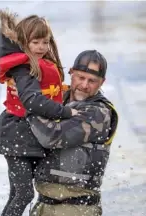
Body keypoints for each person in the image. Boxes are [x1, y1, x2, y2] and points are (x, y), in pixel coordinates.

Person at [0, 10, 78, 216]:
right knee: (24, 194)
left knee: (18, 192)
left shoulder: (37, 65)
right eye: (35, 42)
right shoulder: (22, 68)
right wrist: (66, 112)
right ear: (24, 42)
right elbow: (32, 101)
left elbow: (46, 92)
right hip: (15, 135)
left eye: (45, 42)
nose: (41, 47)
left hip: (29, 135)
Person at [25, 50, 119, 216]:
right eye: (80, 77)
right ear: (71, 73)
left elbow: (51, 136)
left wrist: (29, 106)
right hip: (42, 204)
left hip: (77, 208)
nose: (84, 85)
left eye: (92, 81)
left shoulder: (99, 112)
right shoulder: (56, 99)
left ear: (102, 82)